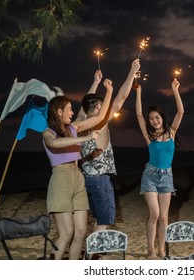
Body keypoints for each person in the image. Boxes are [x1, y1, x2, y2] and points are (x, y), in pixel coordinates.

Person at [42, 79, 113, 260]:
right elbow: (55, 144)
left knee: (81, 232)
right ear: (59, 112)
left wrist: (107, 89)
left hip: (78, 178)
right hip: (61, 179)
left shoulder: (74, 127)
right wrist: (85, 138)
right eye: (69, 110)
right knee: (66, 233)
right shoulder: (48, 132)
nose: (73, 113)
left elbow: (98, 116)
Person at [78, 59, 141, 233]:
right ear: (99, 107)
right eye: (101, 105)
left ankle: (89, 254)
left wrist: (95, 83)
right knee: (103, 223)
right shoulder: (100, 123)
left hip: (86, 180)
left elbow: (84, 106)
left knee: (97, 218)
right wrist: (132, 71)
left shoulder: (79, 123)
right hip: (99, 179)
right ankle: (91, 257)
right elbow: (121, 97)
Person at [135, 78, 184, 259]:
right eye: (151, 119)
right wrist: (138, 92)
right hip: (150, 175)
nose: (154, 121)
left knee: (164, 217)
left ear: (162, 117)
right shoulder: (149, 136)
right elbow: (139, 114)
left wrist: (175, 90)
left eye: (157, 117)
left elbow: (181, 111)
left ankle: (162, 250)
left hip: (167, 177)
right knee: (154, 214)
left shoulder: (171, 132)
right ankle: (151, 250)